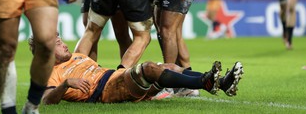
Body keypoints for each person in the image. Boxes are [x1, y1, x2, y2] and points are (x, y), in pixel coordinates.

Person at [27, 33, 244, 103]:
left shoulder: (75, 55)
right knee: (148, 68)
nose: (63, 43)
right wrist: (66, 84)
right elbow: (46, 101)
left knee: (168, 67)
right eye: (56, 43)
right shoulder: (49, 74)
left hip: (115, 76)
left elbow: (91, 30)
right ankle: (205, 81)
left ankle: (221, 83)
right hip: (105, 91)